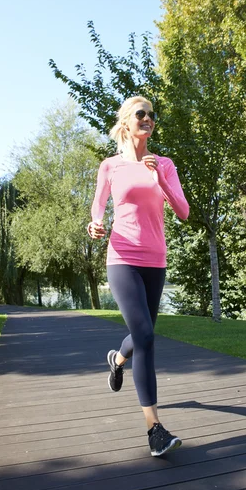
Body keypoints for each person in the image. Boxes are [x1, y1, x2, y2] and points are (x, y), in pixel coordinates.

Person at [87, 95, 189, 457]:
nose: (147, 119)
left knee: (141, 335)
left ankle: (117, 359)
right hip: (122, 257)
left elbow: (183, 211)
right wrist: (96, 225)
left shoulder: (164, 164)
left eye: (151, 115)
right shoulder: (110, 166)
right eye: (140, 114)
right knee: (146, 336)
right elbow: (99, 207)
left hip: (155, 260)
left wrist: (159, 176)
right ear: (127, 122)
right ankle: (154, 429)